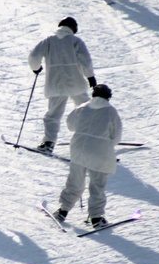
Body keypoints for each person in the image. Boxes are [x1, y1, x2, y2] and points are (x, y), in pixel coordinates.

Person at [51, 84, 122, 228]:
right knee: (97, 185)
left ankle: (63, 210)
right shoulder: (111, 112)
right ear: (108, 97)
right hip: (100, 152)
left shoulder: (82, 107)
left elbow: (70, 125)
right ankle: (96, 217)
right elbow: (116, 137)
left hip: (79, 148)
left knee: (75, 181)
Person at [27, 17, 96, 153]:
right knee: (87, 109)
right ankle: (97, 138)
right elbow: (86, 61)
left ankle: (48, 143)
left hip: (55, 84)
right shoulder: (75, 41)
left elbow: (34, 56)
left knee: (53, 114)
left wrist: (36, 68)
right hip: (75, 82)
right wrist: (91, 77)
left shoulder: (48, 41)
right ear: (73, 29)